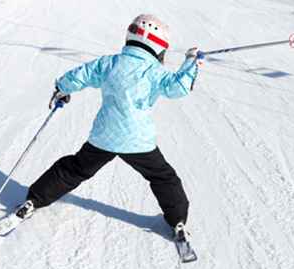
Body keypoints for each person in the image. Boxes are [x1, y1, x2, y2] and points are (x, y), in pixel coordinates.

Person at [14, 14, 201, 241]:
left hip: (104, 137)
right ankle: (177, 221)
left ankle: (34, 200)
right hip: (138, 142)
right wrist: (191, 62)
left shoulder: (109, 62)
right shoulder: (154, 71)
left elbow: (80, 76)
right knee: (163, 177)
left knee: (74, 169)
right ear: (158, 46)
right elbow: (178, 87)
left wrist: (62, 88)